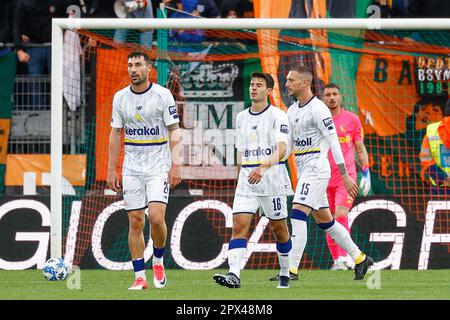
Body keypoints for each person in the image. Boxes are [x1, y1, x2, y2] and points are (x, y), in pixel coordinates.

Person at [270, 65, 373, 282]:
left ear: (304, 83)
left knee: (297, 214)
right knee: (326, 221)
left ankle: (290, 270)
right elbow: (290, 147)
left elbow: (334, 143)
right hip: (304, 171)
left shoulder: (319, 109)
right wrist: (271, 160)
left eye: (291, 80)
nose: (286, 83)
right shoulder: (292, 110)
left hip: (317, 171)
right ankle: (360, 258)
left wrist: (345, 175)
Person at [107, 50, 182, 290]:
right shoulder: (119, 98)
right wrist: (111, 168)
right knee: (136, 220)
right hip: (132, 167)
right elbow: (116, 134)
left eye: (138, 65)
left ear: (148, 68)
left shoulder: (163, 95)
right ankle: (140, 277)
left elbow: (174, 131)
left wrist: (176, 164)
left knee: (157, 218)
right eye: (130, 65)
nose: (133, 69)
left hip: (158, 165)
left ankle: (158, 260)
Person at [212, 72, 294, 289]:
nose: (253, 88)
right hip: (247, 179)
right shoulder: (241, 117)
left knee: (280, 229)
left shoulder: (278, 115)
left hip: (272, 177)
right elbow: (240, 151)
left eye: (259, 85)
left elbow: (283, 148)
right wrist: (241, 176)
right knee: (238, 226)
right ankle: (234, 275)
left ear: (268, 91)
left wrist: (262, 168)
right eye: (251, 84)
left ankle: (285, 274)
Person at [321, 83, 371, 270]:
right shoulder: (318, 120)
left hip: (346, 178)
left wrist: (366, 171)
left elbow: (359, 147)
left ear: (340, 97)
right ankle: (338, 261)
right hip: (324, 177)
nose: (332, 97)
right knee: (328, 219)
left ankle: (348, 256)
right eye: (328, 95)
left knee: (341, 214)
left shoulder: (352, 120)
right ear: (323, 98)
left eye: (335, 94)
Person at [419, 99, 450, 194]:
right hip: (440, 189)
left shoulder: (431, 131)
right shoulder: (431, 131)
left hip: (440, 189)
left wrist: (443, 178)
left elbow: (425, 158)